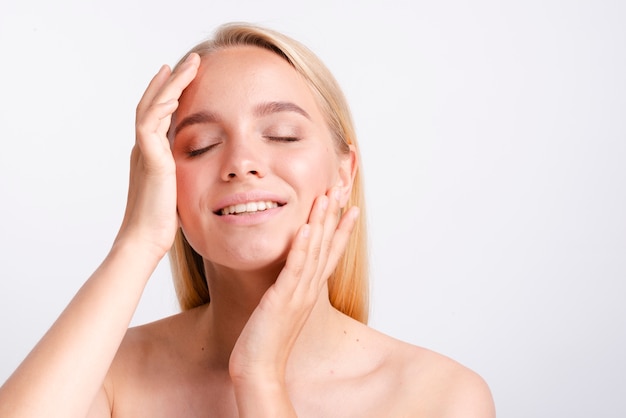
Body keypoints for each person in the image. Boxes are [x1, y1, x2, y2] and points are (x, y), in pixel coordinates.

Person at [0, 23, 495, 417]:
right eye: (201, 145)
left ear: (344, 174)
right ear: (167, 182)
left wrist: (259, 377)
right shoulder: (107, 373)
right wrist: (138, 241)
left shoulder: (441, 397)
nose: (241, 161)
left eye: (281, 134)